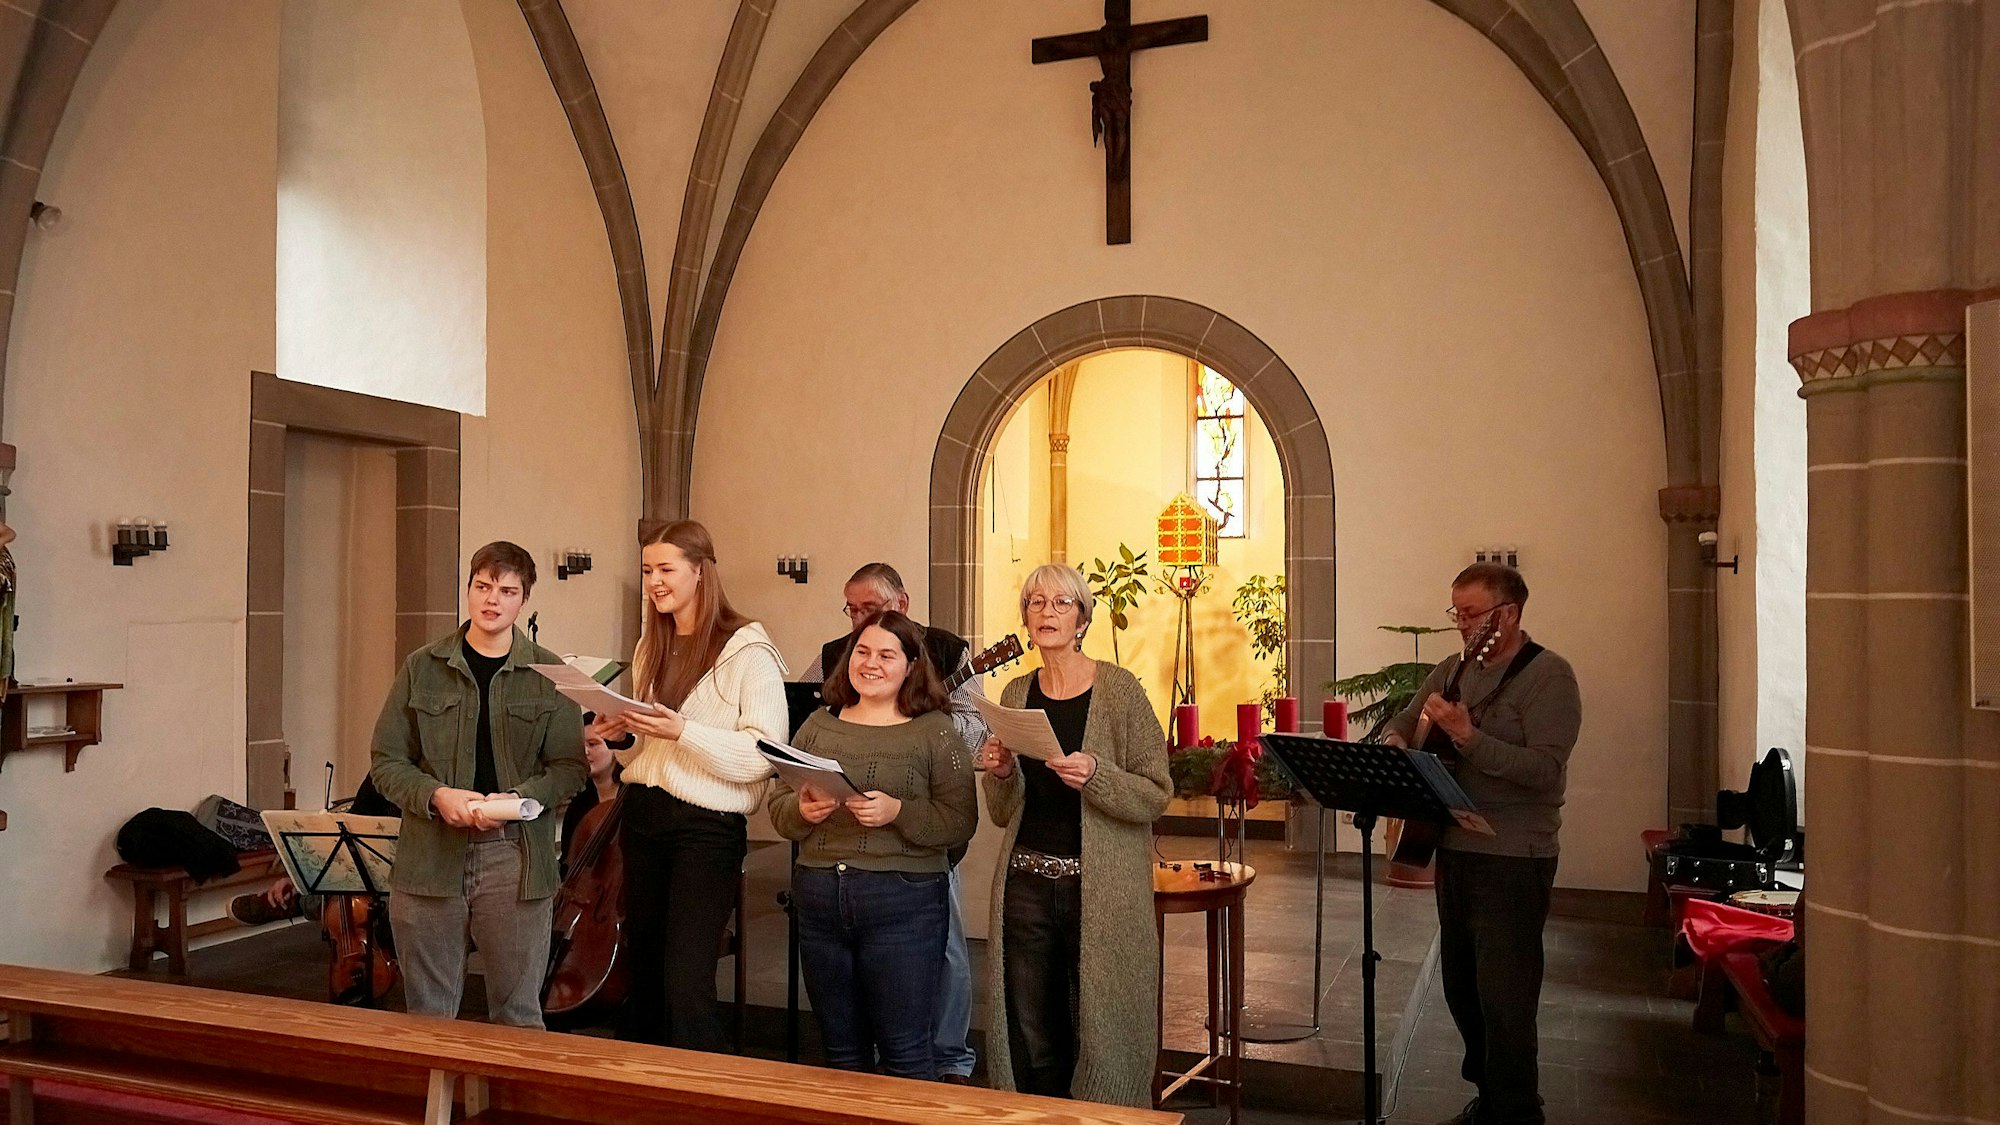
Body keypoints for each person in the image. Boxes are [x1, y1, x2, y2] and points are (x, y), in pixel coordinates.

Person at [1381, 562, 1581, 1125]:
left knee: (1506, 996)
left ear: (1508, 614)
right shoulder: (1452, 670)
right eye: (1456, 613)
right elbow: (1405, 717)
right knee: (1462, 986)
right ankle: (1490, 1097)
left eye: (1470, 614)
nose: (1461, 625)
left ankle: (1518, 1111)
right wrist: (1399, 740)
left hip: (1515, 856)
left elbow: (1544, 770)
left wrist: (1468, 736)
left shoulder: (1550, 677)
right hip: (1454, 847)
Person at [369, 541, 588, 1028]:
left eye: (507, 590)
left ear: (523, 600)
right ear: (468, 590)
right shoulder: (421, 666)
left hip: (513, 857)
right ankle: (437, 1108)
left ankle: (516, 1105)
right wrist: (434, 795)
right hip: (430, 855)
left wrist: (519, 800)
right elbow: (386, 761)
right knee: (428, 1015)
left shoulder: (551, 675)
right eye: (482, 586)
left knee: (518, 1015)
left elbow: (570, 767)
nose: (492, 599)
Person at [976, 563, 1171, 1106]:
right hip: (1027, 885)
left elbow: (1156, 792)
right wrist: (1001, 772)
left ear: (1082, 618)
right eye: (1036, 603)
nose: (1047, 613)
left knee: (1102, 1027)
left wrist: (1097, 776)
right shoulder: (1015, 692)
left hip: (1101, 890)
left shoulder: (1119, 690)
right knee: (1032, 1028)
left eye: (1061, 603)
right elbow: (1001, 813)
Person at [597, 519, 787, 1051]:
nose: (654, 582)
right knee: (648, 978)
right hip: (644, 817)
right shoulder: (649, 644)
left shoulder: (748, 650)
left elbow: (763, 755)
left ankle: (708, 1094)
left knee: (686, 982)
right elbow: (650, 753)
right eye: (646, 571)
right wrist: (621, 733)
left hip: (705, 828)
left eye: (666, 569)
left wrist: (684, 731)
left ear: (700, 572)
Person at [801, 562, 990, 1082]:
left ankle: (952, 1059)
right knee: (840, 1056)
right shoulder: (819, 723)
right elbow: (780, 799)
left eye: (885, 653)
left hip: (903, 897)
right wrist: (800, 809)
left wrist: (898, 811)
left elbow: (959, 821)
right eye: (861, 648)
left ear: (910, 664)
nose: (869, 659)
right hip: (822, 894)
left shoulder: (935, 730)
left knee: (908, 1053)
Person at [559, 714, 626, 877]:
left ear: (615, 749)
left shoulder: (634, 798)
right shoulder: (578, 805)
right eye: (580, 745)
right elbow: (567, 863)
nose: (585, 751)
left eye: (593, 744)